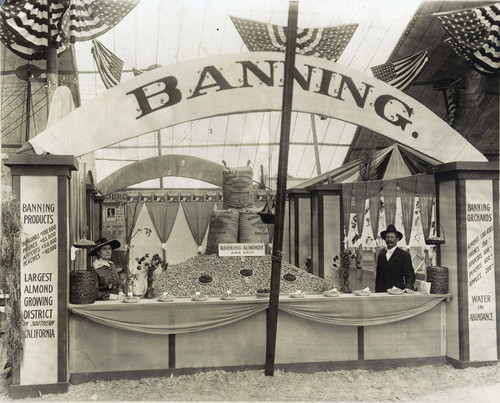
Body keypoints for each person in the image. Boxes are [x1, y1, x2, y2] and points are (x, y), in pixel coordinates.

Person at [375, 224, 415, 293]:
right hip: (382, 292)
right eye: (387, 237)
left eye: (392, 237)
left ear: (397, 239)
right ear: (384, 239)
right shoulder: (381, 255)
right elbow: (378, 277)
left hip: (398, 292)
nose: (389, 239)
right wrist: (377, 292)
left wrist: (408, 287)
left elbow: (410, 274)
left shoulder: (404, 255)